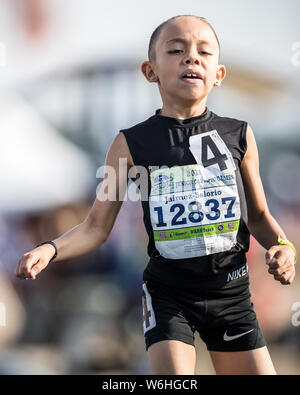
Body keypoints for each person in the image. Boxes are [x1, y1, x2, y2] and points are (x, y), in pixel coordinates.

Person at [15, 15, 297, 375]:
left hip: (231, 293)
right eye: (176, 50)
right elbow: (96, 227)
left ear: (218, 74)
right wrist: (50, 249)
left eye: (203, 52)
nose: (191, 58)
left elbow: (258, 217)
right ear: (150, 71)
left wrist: (283, 248)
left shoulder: (239, 136)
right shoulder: (130, 143)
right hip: (169, 295)